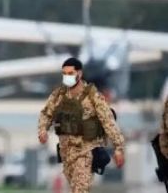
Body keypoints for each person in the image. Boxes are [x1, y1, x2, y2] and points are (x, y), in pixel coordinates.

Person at [38, 57, 125, 193]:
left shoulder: (92, 97)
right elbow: (46, 114)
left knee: (80, 190)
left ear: (79, 74)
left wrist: (118, 147)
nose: (67, 77)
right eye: (64, 73)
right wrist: (42, 130)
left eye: (70, 73)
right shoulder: (58, 96)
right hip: (66, 154)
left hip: (85, 153)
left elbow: (108, 121)